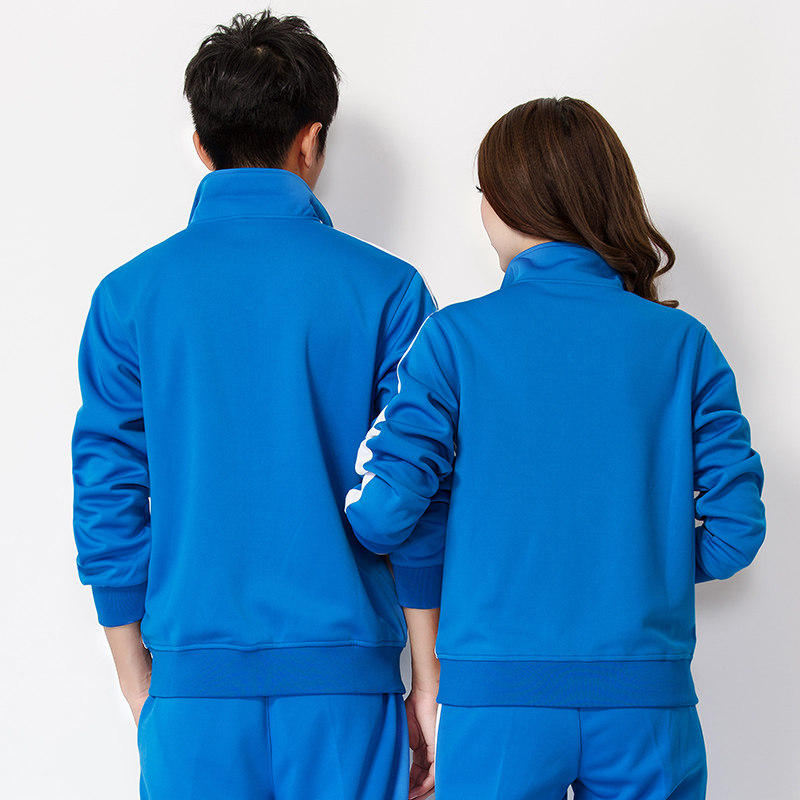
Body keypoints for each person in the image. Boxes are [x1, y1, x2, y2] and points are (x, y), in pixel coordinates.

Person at [344, 96, 767, 800]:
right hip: (646, 702)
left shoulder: (453, 340)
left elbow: (382, 515)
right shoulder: (684, 346)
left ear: (505, 203)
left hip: (495, 702)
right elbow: (736, 533)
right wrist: (645, 560)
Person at [71, 10, 442, 800]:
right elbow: (418, 501)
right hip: (347, 688)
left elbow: (106, 493)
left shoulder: (128, 297)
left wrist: (138, 684)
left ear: (200, 147)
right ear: (311, 142)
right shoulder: (391, 291)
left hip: (191, 691)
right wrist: (426, 684)